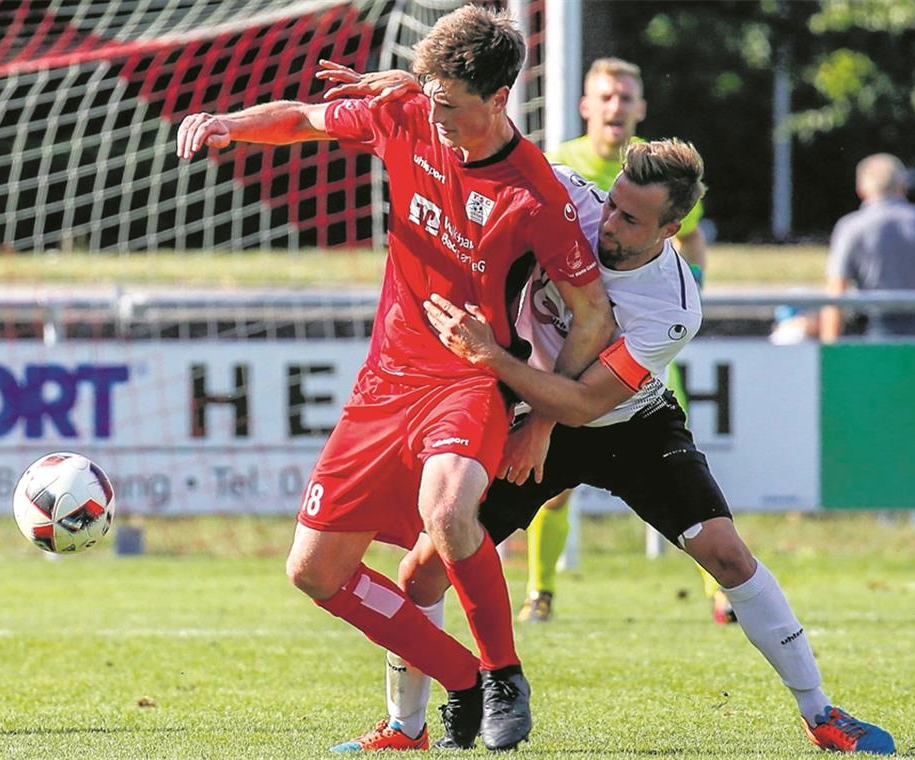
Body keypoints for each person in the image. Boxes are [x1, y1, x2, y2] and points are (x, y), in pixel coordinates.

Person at [332, 136, 895, 755]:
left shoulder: (672, 305)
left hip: (629, 427)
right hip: (530, 413)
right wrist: (417, 96)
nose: (610, 222)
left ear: (671, 228)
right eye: (614, 203)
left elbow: (581, 404)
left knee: (728, 555)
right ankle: (406, 729)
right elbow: (483, 140)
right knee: (421, 574)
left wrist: (499, 367)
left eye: (631, 218)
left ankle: (822, 715)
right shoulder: (571, 194)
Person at [176, 6, 614, 752]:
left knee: (447, 513)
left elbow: (592, 315)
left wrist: (541, 415)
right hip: (385, 380)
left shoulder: (534, 193)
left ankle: (505, 675)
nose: (434, 114)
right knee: (313, 572)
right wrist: (229, 122)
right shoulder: (408, 112)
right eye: (429, 95)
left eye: (450, 103)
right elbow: (306, 119)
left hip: (470, 379)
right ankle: (462, 679)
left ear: (499, 98)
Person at [522, 56, 724, 625]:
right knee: (550, 475)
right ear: (587, 106)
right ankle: (540, 590)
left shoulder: (663, 177)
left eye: (626, 97)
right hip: (568, 339)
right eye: (606, 97)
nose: (616, 107)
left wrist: (685, 292)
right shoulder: (561, 162)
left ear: (639, 107)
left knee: (684, 477)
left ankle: (721, 592)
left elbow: (692, 239)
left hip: (638, 353)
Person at [821, 153, 915, 342]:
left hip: (874, 329)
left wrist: (830, 347)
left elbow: (836, 293)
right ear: (903, 186)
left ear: (861, 188)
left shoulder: (850, 227)